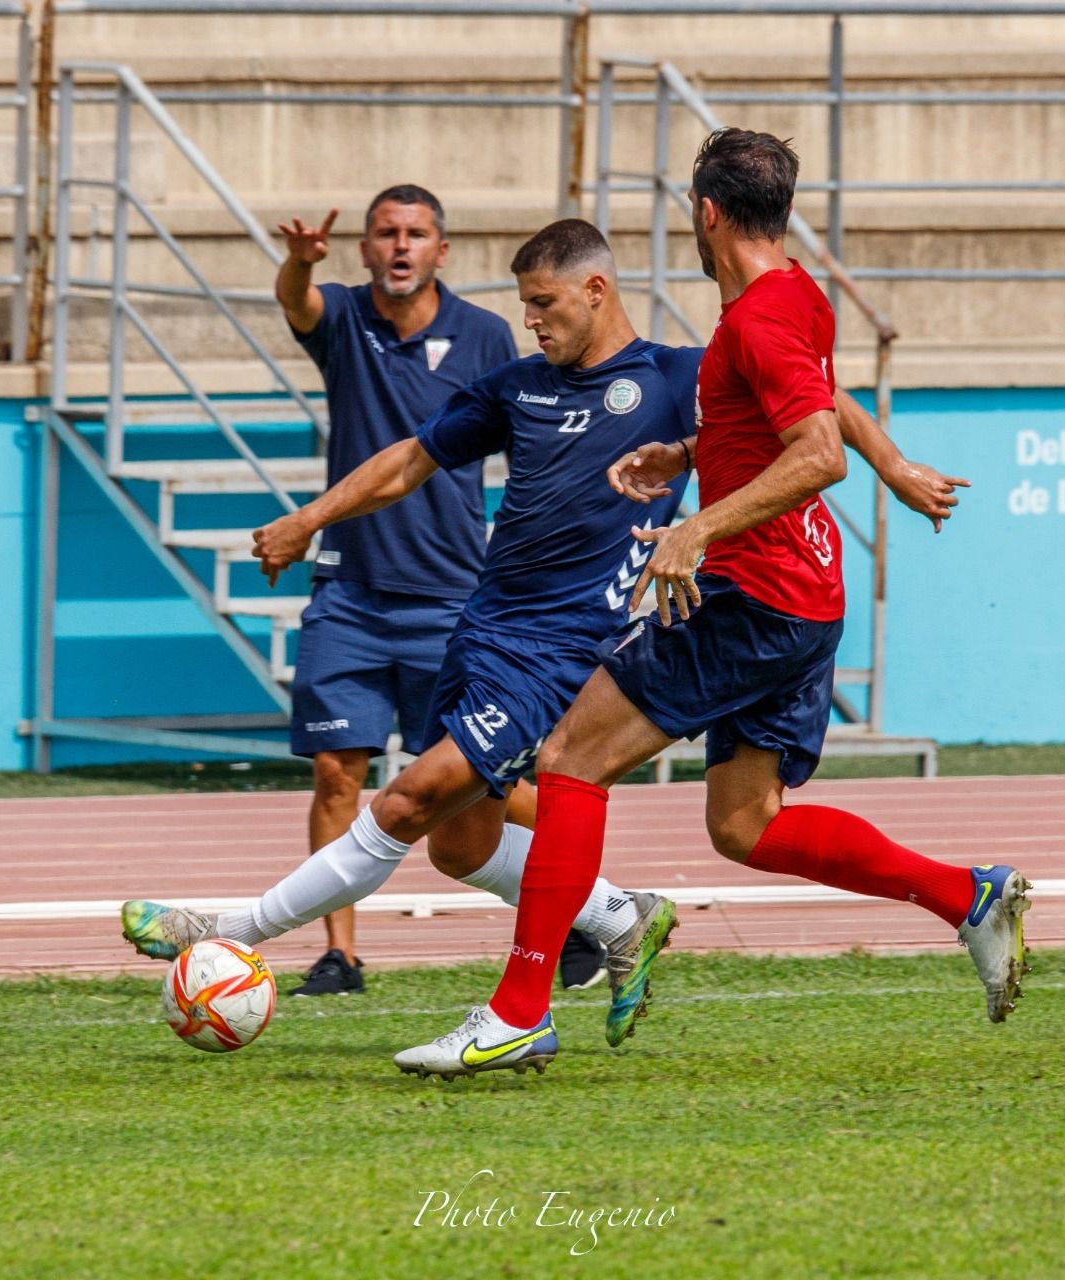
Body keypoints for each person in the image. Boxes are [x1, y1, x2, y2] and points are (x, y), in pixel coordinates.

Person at [395, 129, 1030, 1080]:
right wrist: (693, 456)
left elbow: (814, 451)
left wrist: (698, 529)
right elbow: (802, 414)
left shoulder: (760, 320)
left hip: (754, 593)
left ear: (707, 214)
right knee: (746, 826)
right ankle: (967, 895)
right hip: (808, 593)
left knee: (571, 758)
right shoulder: (792, 295)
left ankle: (519, 1010)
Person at [122, 220, 702, 1051]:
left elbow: (800, 417)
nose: (532, 320)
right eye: (525, 305)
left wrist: (712, 517)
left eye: (544, 304)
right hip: (483, 629)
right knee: (459, 846)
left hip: (560, 650)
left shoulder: (671, 378)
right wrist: (308, 519)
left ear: (596, 291)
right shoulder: (518, 386)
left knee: (402, 800)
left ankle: (230, 928)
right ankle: (618, 912)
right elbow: (407, 461)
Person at [252, 185, 600, 994]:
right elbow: (296, 301)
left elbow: (537, 435)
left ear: (442, 249)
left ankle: (581, 900)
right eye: (385, 234)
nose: (400, 246)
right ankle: (339, 954)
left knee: (477, 787)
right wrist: (298, 265)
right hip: (350, 593)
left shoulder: (487, 335)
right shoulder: (342, 319)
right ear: (365, 249)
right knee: (338, 771)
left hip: (452, 597)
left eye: (416, 234)